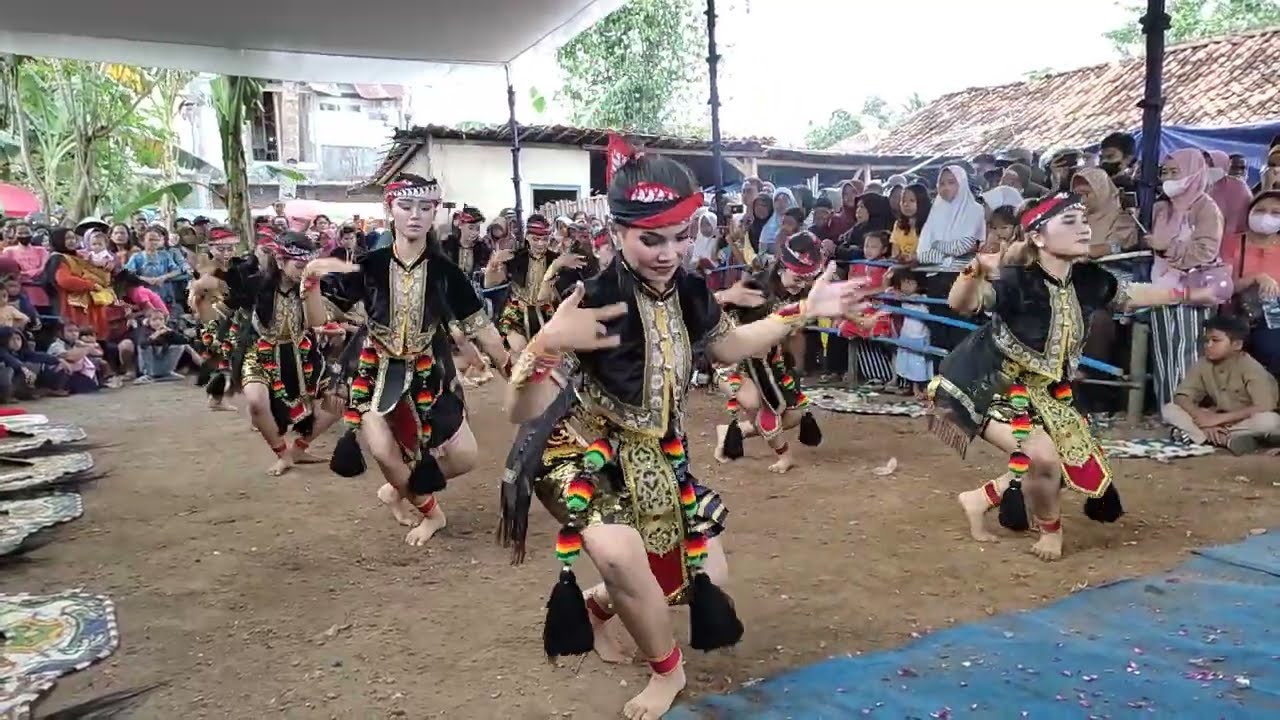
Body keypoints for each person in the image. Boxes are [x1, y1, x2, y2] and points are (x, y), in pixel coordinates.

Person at [496, 149, 864, 720]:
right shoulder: (590, 298)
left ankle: (600, 607)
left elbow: (729, 346)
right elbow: (519, 408)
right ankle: (667, 671)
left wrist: (802, 312)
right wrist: (545, 344)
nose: (668, 253)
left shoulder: (691, 290)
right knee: (618, 552)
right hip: (581, 446)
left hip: (658, 451)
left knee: (705, 578)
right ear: (618, 233)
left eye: (680, 236)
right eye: (651, 239)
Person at [937, 193, 1219, 560]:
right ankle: (1050, 532)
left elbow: (1130, 294)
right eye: (1069, 222)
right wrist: (975, 268)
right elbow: (959, 303)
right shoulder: (1015, 280)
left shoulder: (1089, 279)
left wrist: (1188, 293)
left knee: (1063, 459)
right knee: (1043, 457)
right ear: (1038, 237)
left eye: (1083, 220)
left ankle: (979, 499)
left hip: (1049, 389)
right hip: (991, 383)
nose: (1084, 228)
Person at [318, 173, 509, 546]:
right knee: (384, 451)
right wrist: (310, 287)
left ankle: (399, 490)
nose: (415, 215)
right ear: (390, 210)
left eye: (425, 207)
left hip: (429, 373)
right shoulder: (368, 265)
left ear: (435, 212)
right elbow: (320, 313)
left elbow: (480, 327)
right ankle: (432, 513)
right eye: (406, 206)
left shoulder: (445, 272)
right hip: (375, 372)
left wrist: (510, 365)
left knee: (464, 457)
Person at [224, 231, 339, 476]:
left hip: (301, 353)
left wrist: (312, 287)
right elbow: (228, 302)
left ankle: (299, 448)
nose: (305, 270)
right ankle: (282, 454)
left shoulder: (311, 286)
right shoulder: (256, 284)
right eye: (299, 266)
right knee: (256, 402)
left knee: (340, 401)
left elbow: (317, 321)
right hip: (261, 352)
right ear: (279, 262)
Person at [714, 231, 827, 473]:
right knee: (767, 407)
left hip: (770, 359)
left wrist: (795, 367)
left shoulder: (797, 294)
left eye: (806, 280)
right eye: (798, 277)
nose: (802, 284)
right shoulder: (755, 289)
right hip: (737, 361)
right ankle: (784, 456)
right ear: (783, 267)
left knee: (795, 414)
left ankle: (737, 431)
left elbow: (795, 335)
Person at [1148, 148, 1230, 408]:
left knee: (1187, 353)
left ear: (1195, 173)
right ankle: (1167, 411)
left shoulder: (1206, 208)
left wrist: (1166, 247)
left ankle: (1187, 413)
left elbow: (1205, 252)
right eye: (1166, 172)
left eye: (1176, 172)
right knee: (1163, 352)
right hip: (1161, 286)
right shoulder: (1163, 208)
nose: (1169, 178)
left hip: (1194, 290)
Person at [1161, 315, 1279, 454]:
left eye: (1215, 341)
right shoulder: (1203, 363)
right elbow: (1182, 396)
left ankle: (1201, 437)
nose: (1208, 345)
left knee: (1270, 421)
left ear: (1237, 345)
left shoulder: (1252, 368)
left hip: (1242, 421)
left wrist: (1218, 420)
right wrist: (1201, 417)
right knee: (1169, 409)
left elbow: (1264, 406)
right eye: (1207, 341)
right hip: (1211, 420)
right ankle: (1222, 440)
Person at [1220, 190, 1280, 375]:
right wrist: (1254, 278)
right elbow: (1220, 287)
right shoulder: (1231, 243)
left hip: (1274, 318)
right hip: (1235, 314)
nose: (1266, 217)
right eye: (1260, 210)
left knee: (1273, 349)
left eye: (1275, 213)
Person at [187, 227, 246, 411]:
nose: (226, 253)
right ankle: (216, 396)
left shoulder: (231, 268)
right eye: (221, 249)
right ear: (211, 248)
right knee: (224, 359)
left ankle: (216, 397)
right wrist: (201, 315)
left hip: (228, 320)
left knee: (223, 359)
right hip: (212, 322)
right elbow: (193, 296)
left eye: (230, 248)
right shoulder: (208, 269)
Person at [486, 214, 560, 354]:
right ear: (527, 237)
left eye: (545, 239)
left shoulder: (556, 260)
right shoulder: (514, 257)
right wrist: (493, 266)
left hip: (546, 312)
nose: (541, 244)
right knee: (520, 351)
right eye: (536, 239)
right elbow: (490, 285)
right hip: (517, 313)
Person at [46, 226, 116, 339]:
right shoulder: (59, 258)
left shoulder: (79, 256)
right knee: (80, 336)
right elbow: (64, 280)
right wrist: (90, 285)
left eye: (73, 238)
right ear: (58, 240)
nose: (72, 241)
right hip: (73, 306)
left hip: (89, 303)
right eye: (67, 238)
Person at [916, 165, 985, 269]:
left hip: (968, 272)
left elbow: (961, 247)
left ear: (962, 183)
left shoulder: (975, 210)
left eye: (951, 182)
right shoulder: (936, 211)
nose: (945, 187)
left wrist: (935, 244)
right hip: (934, 271)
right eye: (941, 183)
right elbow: (922, 253)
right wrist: (946, 256)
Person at [1071, 168, 1139, 258]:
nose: (1082, 200)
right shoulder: (1076, 218)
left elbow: (1119, 245)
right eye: (1078, 195)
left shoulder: (1124, 215)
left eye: (1086, 194)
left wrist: (1093, 251)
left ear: (1102, 190)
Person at [125, 226, 188, 310]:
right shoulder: (137, 257)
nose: (154, 242)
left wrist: (164, 277)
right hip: (146, 292)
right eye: (150, 240)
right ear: (142, 241)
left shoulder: (165, 255)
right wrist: (146, 279)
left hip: (165, 291)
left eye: (156, 240)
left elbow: (177, 270)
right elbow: (128, 273)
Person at [2, 221, 50, 308]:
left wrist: (26, 273)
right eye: (20, 233)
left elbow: (44, 268)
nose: (24, 235)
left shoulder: (41, 251)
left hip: (41, 291)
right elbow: (9, 272)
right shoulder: (8, 251)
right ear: (15, 234)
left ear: (32, 232)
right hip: (18, 293)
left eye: (26, 232)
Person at [1206, 150, 1254, 237]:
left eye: (1242, 168)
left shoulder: (1244, 192)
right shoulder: (1206, 188)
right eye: (1234, 167)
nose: (1238, 172)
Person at [891, 183, 930, 262]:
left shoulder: (930, 224)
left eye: (912, 200)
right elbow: (895, 251)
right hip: (902, 266)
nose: (906, 204)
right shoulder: (898, 224)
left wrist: (913, 257)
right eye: (903, 201)